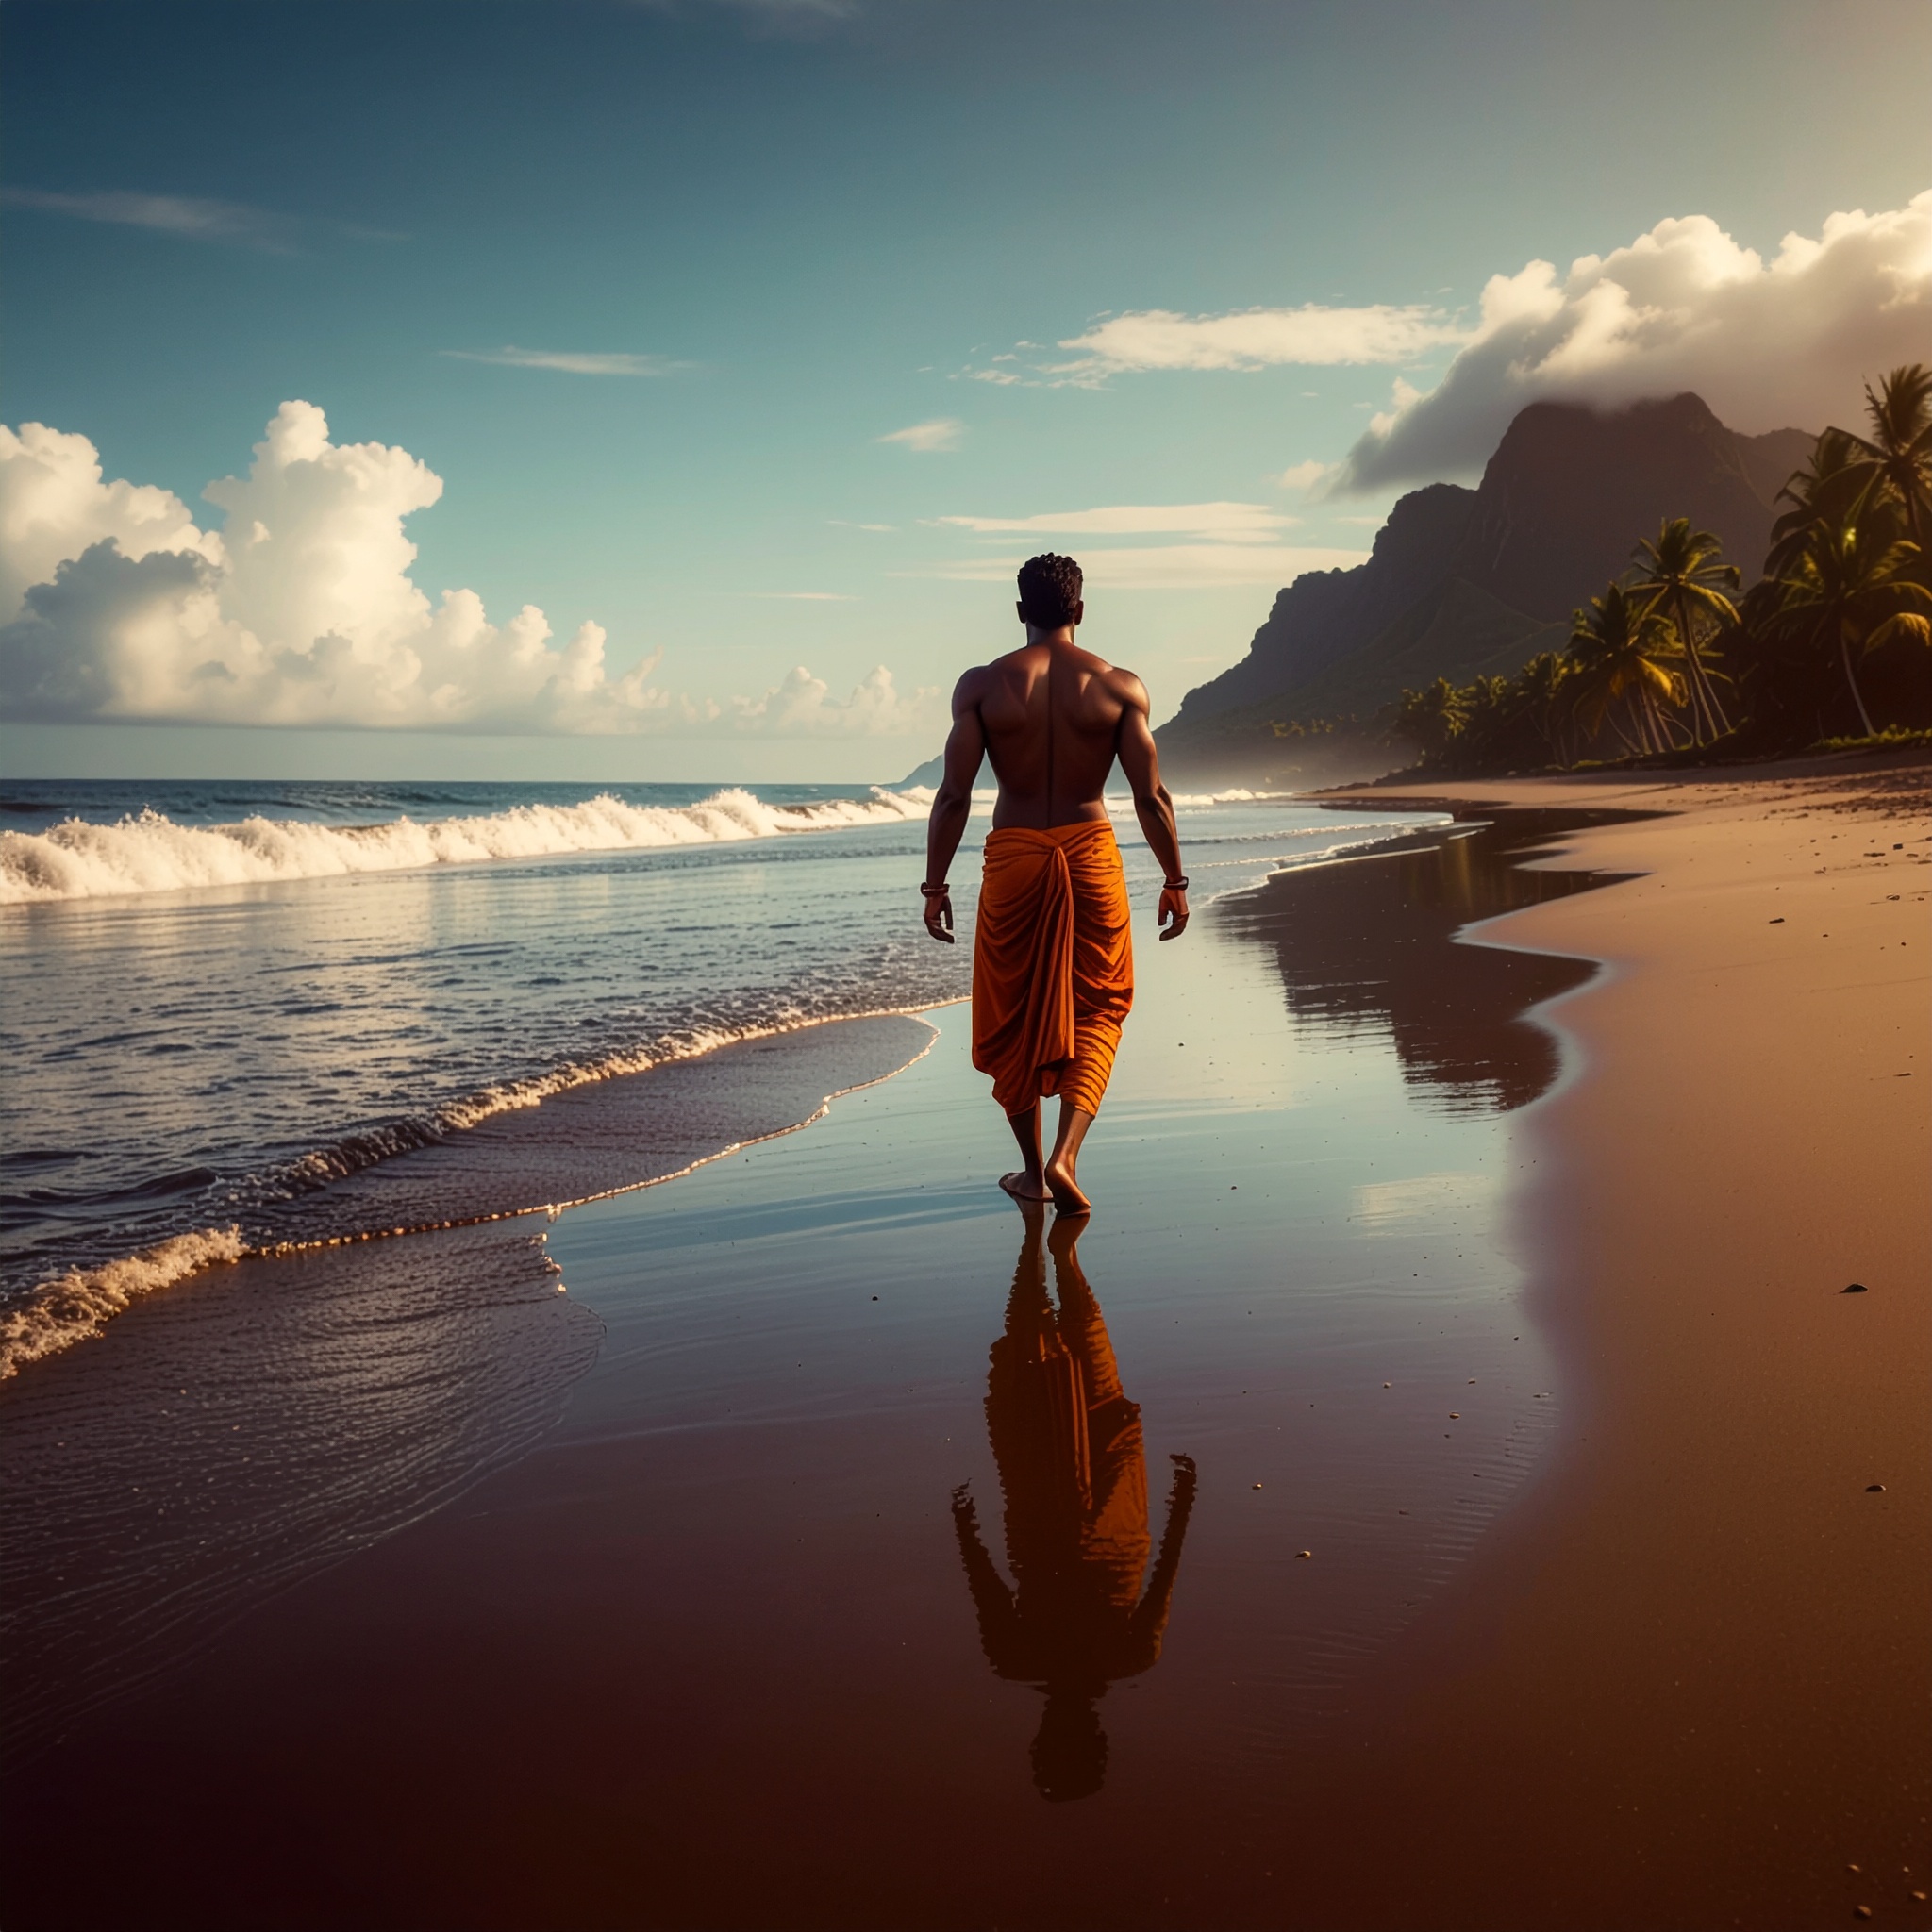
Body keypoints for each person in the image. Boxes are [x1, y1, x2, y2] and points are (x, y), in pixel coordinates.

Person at [921, 553, 1190, 1214]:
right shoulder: (1120, 687)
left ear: (1020, 613)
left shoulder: (982, 687)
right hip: (1091, 853)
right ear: (1081, 609)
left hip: (1013, 857)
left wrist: (935, 885)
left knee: (1009, 1012)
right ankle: (1066, 1156)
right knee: (1098, 1004)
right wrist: (1174, 878)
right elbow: (1150, 794)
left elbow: (954, 795)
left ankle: (1031, 1173)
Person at [950, 1208, 1197, 1802]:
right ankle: (1055, 1256)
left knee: (1087, 1370)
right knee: (1041, 1365)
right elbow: (984, 1584)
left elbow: (1164, 1574)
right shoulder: (1020, 1659)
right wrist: (966, 1529)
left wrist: (1183, 1504)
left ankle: (1059, 1256)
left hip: (1095, 1511)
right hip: (1051, 1507)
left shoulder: (1123, 1657)